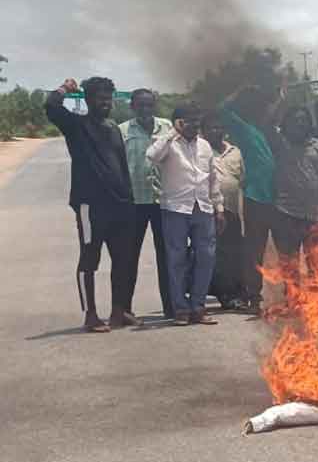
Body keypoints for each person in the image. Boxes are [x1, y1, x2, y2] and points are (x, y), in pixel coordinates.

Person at [46, 78, 136, 332]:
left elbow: (122, 167)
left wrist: (129, 200)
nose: (106, 102)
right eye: (100, 97)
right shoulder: (76, 125)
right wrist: (65, 88)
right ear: (87, 99)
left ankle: (119, 311)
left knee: (122, 260)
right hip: (90, 206)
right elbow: (51, 106)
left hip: (120, 206)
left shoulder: (113, 128)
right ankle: (91, 315)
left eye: (109, 97)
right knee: (89, 259)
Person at [146, 104, 224, 326]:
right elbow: (151, 156)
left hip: (203, 208)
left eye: (197, 120)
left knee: (206, 258)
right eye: (189, 120)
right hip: (175, 209)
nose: (195, 125)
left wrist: (218, 208)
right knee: (176, 259)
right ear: (178, 122)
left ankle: (198, 307)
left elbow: (213, 180)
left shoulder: (205, 146)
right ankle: (180, 309)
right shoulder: (168, 144)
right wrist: (173, 133)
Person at [220, 87, 280, 314]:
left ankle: (288, 297)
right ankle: (253, 297)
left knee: (285, 253)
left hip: (279, 201)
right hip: (256, 198)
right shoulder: (246, 130)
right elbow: (223, 110)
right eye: (263, 108)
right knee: (255, 251)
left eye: (269, 108)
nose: (268, 112)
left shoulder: (277, 132)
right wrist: (240, 92)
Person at [120, 88, 174, 318]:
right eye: (140, 105)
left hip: (163, 201)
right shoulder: (122, 130)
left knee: (168, 256)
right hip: (134, 203)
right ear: (132, 106)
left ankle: (171, 306)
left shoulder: (168, 127)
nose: (145, 110)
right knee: (129, 257)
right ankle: (123, 308)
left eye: (149, 105)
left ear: (155, 106)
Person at [271, 106, 318, 275]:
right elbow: (268, 122)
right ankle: (292, 300)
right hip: (286, 214)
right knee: (290, 265)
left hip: (315, 215)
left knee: (317, 264)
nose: (299, 123)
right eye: (295, 120)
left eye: (303, 120)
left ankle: (315, 301)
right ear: (286, 124)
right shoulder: (279, 143)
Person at [204, 112, 245, 310]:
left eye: (218, 127)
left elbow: (242, 179)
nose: (215, 131)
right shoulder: (200, 150)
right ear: (204, 131)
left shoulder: (235, 151)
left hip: (232, 210)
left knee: (233, 254)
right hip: (207, 211)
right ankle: (223, 295)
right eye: (211, 127)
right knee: (214, 256)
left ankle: (235, 293)